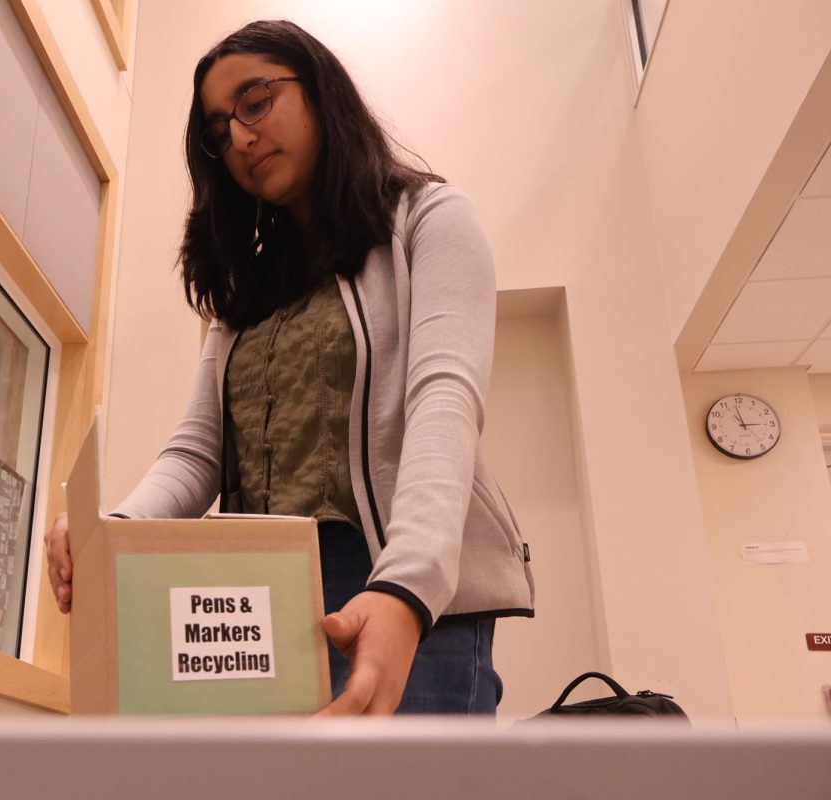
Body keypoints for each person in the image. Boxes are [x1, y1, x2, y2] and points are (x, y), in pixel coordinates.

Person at [47, 19, 534, 715]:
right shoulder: (245, 295)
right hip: (265, 600)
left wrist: (406, 588)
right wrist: (109, 529)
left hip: (406, 585)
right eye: (219, 131)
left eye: (255, 101)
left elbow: (443, 401)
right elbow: (196, 456)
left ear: (320, 90)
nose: (239, 138)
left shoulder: (429, 220)